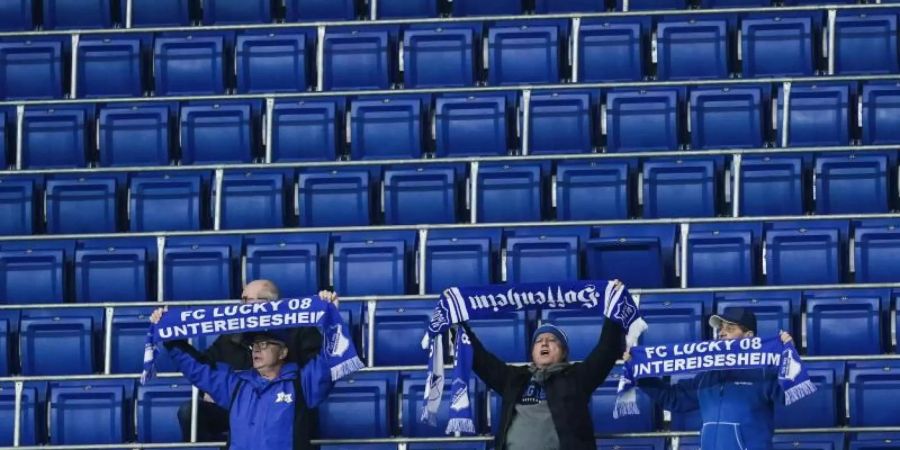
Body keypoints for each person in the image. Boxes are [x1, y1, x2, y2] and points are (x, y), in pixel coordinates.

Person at [150, 288, 340, 450]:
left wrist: (332, 320)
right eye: (254, 345)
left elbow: (328, 361)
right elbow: (197, 369)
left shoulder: (301, 383)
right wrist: (169, 334)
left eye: (264, 344)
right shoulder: (236, 385)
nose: (257, 348)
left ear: (283, 352)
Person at [623, 308, 794, 450]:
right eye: (720, 328)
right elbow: (673, 399)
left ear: (748, 336)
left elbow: (790, 393)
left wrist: (788, 357)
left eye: (730, 328)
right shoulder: (707, 376)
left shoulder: (764, 372)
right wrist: (640, 373)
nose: (722, 333)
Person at [462, 316, 625, 450]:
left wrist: (613, 309)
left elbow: (607, 350)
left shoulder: (577, 377)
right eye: (539, 340)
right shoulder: (513, 378)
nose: (545, 343)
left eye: (552, 340)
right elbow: (479, 359)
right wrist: (458, 322)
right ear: (532, 352)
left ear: (564, 353)